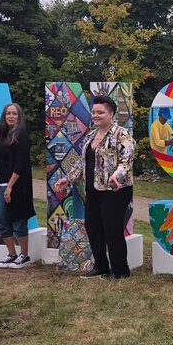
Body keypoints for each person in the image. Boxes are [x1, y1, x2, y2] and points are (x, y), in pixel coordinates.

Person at [55, 95, 135, 279]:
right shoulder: (91, 135)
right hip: (93, 190)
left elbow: (126, 161)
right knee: (93, 228)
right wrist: (68, 179)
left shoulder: (121, 135)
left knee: (112, 230)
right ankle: (101, 266)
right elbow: (82, 163)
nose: (96, 115)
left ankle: (120, 271)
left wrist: (116, 176)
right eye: (94, 112)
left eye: (100, 112)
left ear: (111, 113)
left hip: (115, 191)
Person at [0, 103, 36, 269]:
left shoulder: (21, 136)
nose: (11, 116)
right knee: (1, 221)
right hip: (3, 185)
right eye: (8, 113)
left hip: (17, 185)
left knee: (18, 220)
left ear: (19, 117)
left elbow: (20, 164)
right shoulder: (2, 134)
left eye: (14, 114)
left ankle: (24, 256)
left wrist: (10, 186)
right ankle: (11, 254)